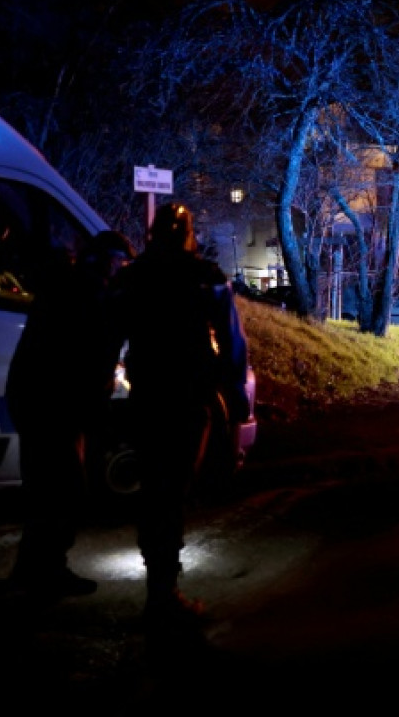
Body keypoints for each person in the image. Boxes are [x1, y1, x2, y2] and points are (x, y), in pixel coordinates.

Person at [112, 202, 250, 631]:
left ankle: (159, 584)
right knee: (171, 489)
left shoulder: (132, 277)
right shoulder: (206, 278)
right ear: (189, 233)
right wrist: (236, 397)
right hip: (188, 397)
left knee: (156, 487)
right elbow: (231, 342)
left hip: (148, 396)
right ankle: (163, 594)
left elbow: (108, 335)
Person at [7, 230, 135, 602]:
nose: (121, 271)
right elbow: (91, 356)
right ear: (106, 260)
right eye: (120, 263)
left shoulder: (72, 286)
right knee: (61, 488)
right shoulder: (87, 295)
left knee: (47, 488)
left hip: (39, 400)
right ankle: (42, 573)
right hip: (52, 405)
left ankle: (34, 571)